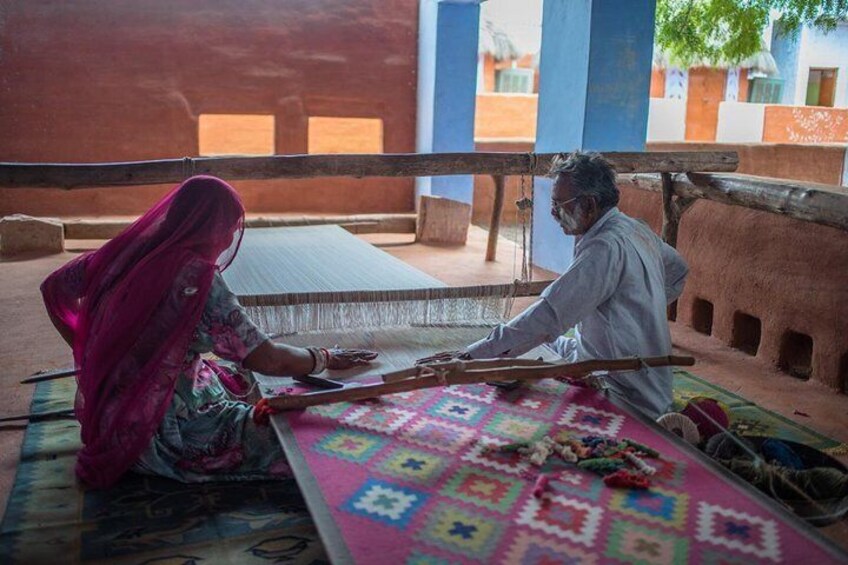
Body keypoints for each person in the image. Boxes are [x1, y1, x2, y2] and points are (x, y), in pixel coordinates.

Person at [41, 175, 377, 489]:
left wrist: (94, 356)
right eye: (229, 229)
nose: (230, 239)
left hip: (105, 419)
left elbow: (53, 287)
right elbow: (268, 359)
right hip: (157, 433)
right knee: (302, 435)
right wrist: (324, 357)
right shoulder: (196, 281)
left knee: (233, 374)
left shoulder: (124, 253)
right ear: (213, 227)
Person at [419, 151, 688, 419]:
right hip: (647, 381)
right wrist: (640, 309)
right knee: (549, 344)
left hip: (625, 394)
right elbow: (677, 271)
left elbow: (548, 315)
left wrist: (470, 357)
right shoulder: (634, 228)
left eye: (561, 203)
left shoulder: (603, 249)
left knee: (518, 408)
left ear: (590, 205)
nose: (553, 212)